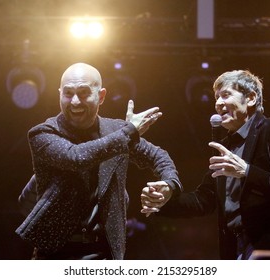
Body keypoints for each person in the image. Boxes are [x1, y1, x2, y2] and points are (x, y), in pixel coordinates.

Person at [15, 62, 182, 260]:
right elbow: (76, 157)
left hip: (105, 251)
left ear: (101, 96)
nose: (75, 101)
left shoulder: (116, 132)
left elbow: (158, 156)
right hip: (56, 253)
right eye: (68, 93)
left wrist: (169, 184)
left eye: (84, 93)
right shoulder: (43, 133)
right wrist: (128, 133)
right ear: (59, 94)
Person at [141, 70, 270, 260]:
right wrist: (164, 201)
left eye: (226, 95)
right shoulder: (225, 146)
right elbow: (204, 199)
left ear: (251, 99)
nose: (218, 103)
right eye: (216, 97)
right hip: (235, 248)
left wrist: (246, 171)